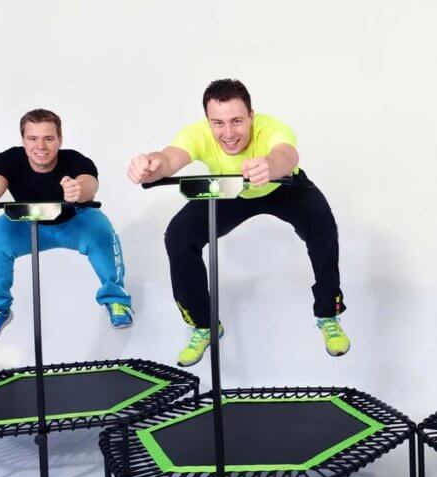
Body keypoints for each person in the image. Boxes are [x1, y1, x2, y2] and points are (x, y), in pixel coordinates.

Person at [127, 78, 349, 366]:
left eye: (237, 121)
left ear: (251, 116)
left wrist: (270, 166)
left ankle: (328, 314)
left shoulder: (272, 128)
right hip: (230, 190)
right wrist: (151, 165)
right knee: (179, 236)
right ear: (207, 121)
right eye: (218, 123)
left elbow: (286, 155)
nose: (229, 133)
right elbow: (170, 159)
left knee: (323, 226)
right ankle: (204, 324)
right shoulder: (197, 134)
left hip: (281, 185)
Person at [0, 109, 132, 340]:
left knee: (102, 234)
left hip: (73, 220)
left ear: (60, 140)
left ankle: (117, 300)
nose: (41, 146)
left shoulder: (75, 160)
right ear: (23, 140)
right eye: (32, 138)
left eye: (48, 138)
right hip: (27, 223)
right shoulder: (8, 159)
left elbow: (89, 184)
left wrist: (78, 190)